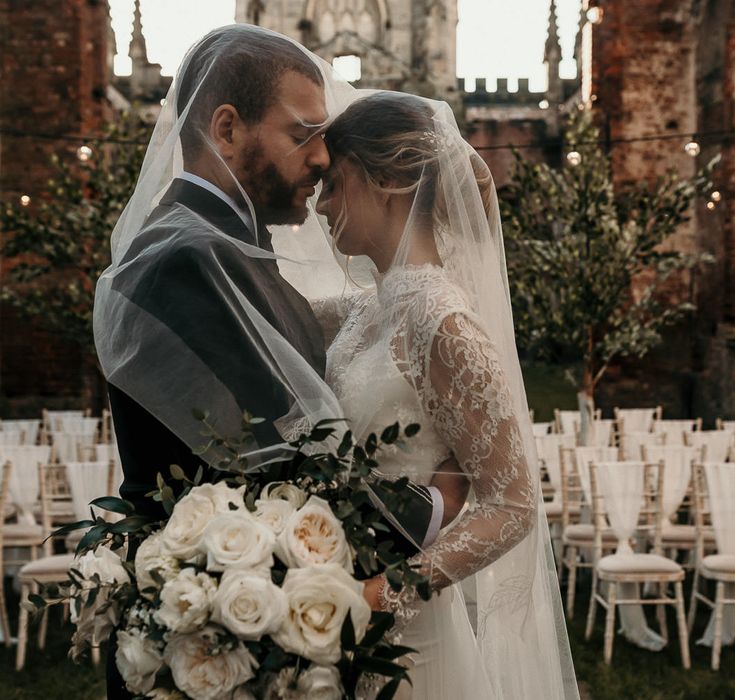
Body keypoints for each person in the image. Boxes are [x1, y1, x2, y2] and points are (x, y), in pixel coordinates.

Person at [93, 26, 466, 699]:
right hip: (206, 637)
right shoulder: (187, 261)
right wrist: (442, 500)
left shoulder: (234, 252)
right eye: (303, 134)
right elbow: (302, 476)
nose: (325, 158)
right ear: (227, 130)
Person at [300, 92, 580, 698]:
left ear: (391, 180)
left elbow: (512, 503)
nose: (321, 205)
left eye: (334, 181)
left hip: (407, 639)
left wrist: (385, 592)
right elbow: (272, 312)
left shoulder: (442, 321)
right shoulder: (370, 309)